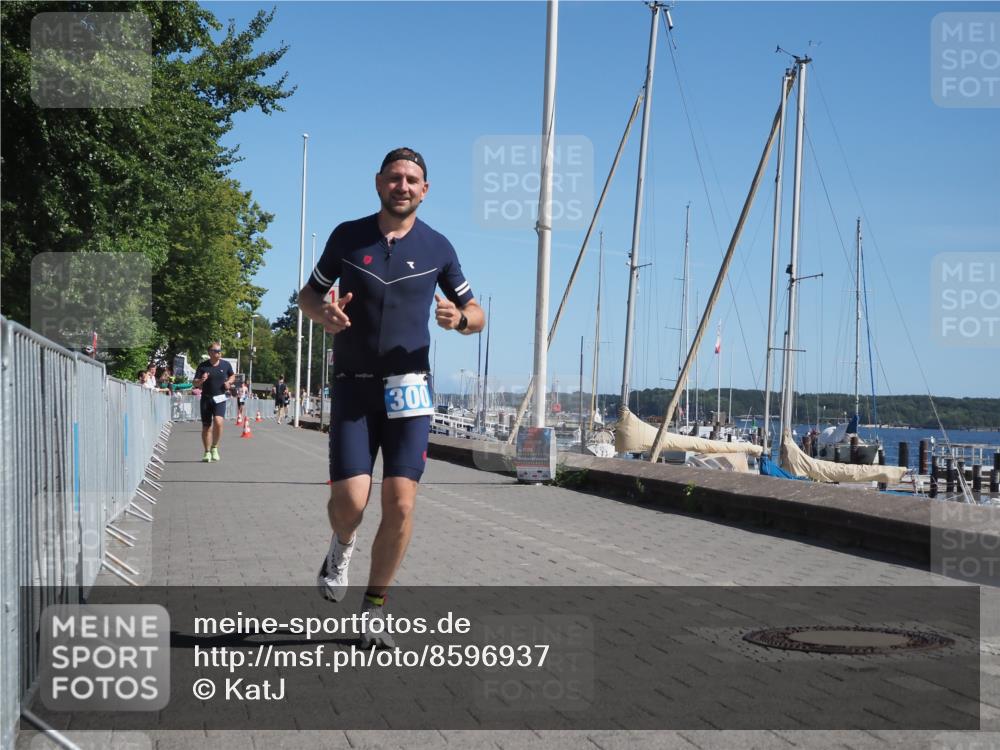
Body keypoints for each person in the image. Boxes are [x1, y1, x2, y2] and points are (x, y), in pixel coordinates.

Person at [299, 147, 484, 648]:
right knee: (350, 504)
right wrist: (324, 316)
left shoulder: (438, 247)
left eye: (413, 180)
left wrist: (460, 320)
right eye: (395, 178)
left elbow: (476, 310)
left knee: (400, 504)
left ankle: (374, 608)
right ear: (378, 183)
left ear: (425, 190)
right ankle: (343, 544)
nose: (403, 186)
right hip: (354, 387)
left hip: (410, 390)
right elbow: (307, 297)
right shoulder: (346, 237)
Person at [194, 343, 235, 462]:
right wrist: (201, 380)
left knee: (218, 421)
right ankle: (207, 452)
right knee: (206, 427)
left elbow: (232, 376)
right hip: (206, 398)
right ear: (210, 352)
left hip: (220, 398)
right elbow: (194, 383)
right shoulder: (203, 366)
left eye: (220, 350)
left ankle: (214, 447)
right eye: (217, 351)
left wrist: (229, 382)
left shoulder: (225, 364)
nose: (219, 352)